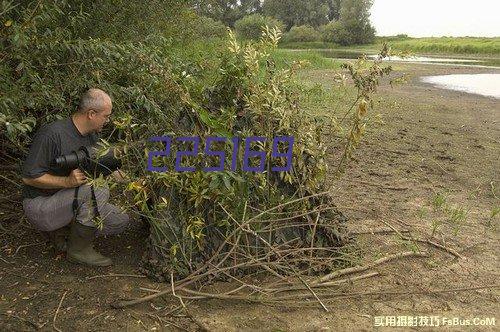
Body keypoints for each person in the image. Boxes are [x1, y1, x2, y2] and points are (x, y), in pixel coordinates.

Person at [21, 88, 130, 266]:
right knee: (97, 188)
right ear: (91, 114)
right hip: (41, 205)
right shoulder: (52, 134)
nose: (108, 121)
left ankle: (63, 232)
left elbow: (100, 165)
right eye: (106, 116)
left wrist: (128, 177)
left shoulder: (92, 135)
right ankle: (79, 250)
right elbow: (29, 178)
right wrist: (66, 181)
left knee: (120, 220)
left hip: (70, 201)